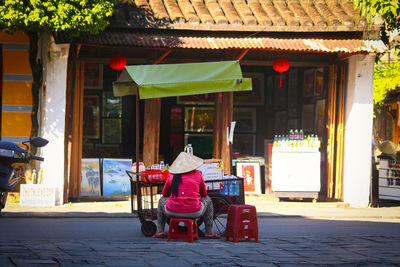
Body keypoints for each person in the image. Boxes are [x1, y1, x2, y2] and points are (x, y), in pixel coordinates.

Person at [152, 152, 220, 239]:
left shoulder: (171, 176)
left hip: (171, 210)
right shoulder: (198, 174)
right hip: (195, 211)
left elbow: (164, 194)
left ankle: (160, 231)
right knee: (208, 200)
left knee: (162, 200)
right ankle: (209, 232)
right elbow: (204, 194)